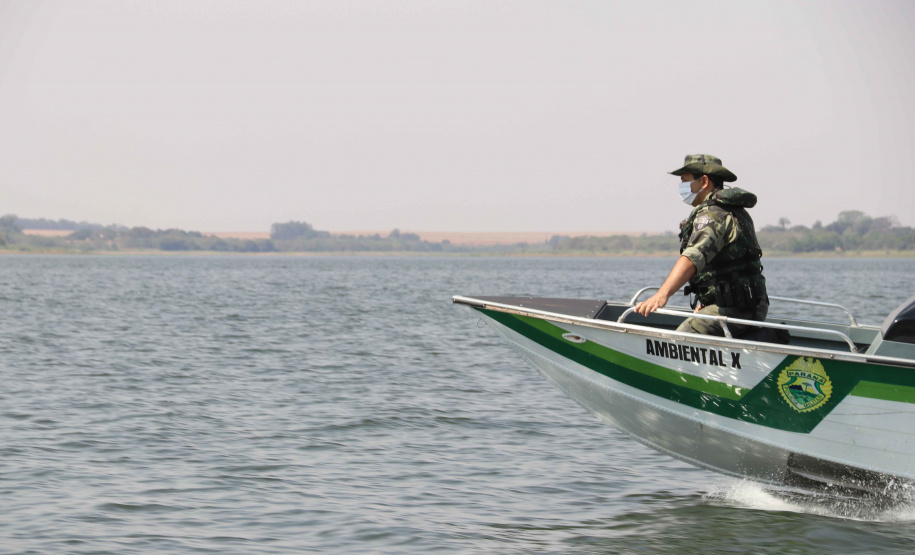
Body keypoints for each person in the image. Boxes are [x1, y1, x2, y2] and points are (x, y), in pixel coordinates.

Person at [634, 154, 768, 336]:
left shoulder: (713, 214)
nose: (682, 186)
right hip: (743, 305)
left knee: (678, 340)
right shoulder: (732, 209)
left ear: (704, 181)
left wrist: (661, 295)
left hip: (734, 309)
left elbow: (693, 257)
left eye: (685, 180)